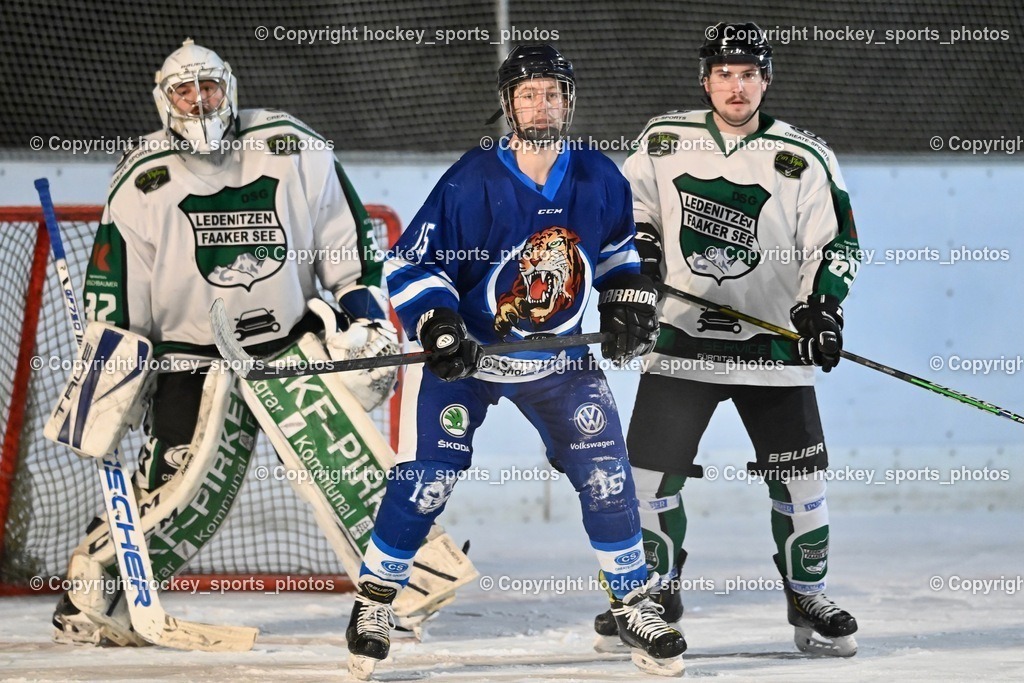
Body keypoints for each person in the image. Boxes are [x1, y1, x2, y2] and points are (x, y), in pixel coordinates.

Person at [344, 44, 685, 679]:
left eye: (551, 92)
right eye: (527, 94)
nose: (540, 104)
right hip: (472, 358)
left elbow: (615, 253)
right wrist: (439, 324)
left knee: (607, 472)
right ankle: (375, 601)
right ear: (508, 105)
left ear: (569, 101)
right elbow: (411, 263)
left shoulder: (598, 176)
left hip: (557, 358)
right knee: (427, 481)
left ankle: (634, 599)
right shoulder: (471, 180)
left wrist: (626, 303)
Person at [50, 38, 403, 645]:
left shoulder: (293, 146)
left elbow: (349, 249)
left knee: (348, 468)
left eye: (208, 87)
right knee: (171, 486)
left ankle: (399, 586)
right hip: (191, 357)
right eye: (184, 91)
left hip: (288, 351)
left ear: (230, 87)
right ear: (164, 101)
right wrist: (114, 373)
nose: (199, 100)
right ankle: (91, 593)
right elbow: (114, 287)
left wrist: (361, 319)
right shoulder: (142, 177)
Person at [592, 22, 861, 657]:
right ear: (705, 79)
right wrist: (646, 259)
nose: (736, 87)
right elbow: (627, 214)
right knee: (649, 480)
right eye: (724, 74)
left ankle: (807, 596)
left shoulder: (804, 156)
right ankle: (651, 596)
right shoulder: (663, 141)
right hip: (681, 341)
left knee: (800, 483)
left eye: (748, 75)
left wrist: (823, 310)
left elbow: (838, 243)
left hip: (774, 347)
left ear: (766, 79)